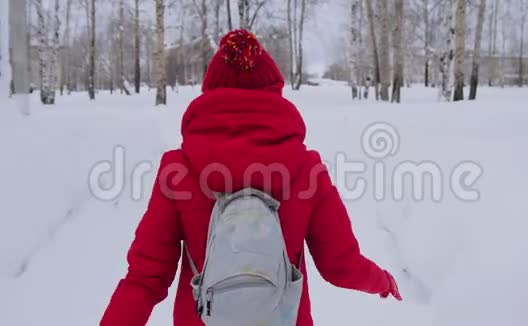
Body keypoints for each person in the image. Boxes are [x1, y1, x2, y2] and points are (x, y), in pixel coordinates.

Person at [100, 29, 401, 326]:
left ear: (211, 93)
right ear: (273, 91)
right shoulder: (307, 170)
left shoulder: (178, 170)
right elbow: (342, 266)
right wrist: (383, 282)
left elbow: (145, 278)